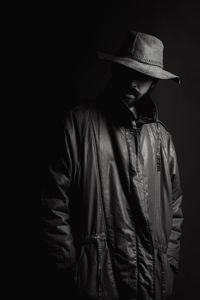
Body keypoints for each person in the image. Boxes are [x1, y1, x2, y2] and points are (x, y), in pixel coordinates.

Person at [42, 30, 183, 300]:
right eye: (128, 70)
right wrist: (71, 268)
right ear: (115, 69)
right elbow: (53, 202)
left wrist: (168, 262)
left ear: (154, 82)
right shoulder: (78, 124)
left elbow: (175, 207)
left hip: (151, 284)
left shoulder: (162, 139)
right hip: (95, 282)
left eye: (143, 76)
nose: (133, 82)